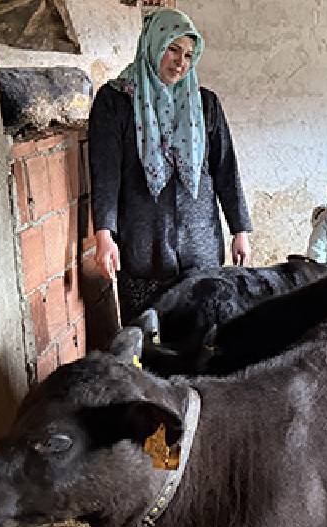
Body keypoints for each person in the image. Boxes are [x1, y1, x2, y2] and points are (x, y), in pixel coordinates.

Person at [88, 8, 252, 322]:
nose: (180, 62)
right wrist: (104, 235)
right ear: (153, 45)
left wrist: (240, 229)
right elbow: (105, 174)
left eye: (189, 55)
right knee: (149, 340)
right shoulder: (116, 101)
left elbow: (226, 169)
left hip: (200, 246)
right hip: (143, 247)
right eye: (173, 50)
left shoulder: (206, 104)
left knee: (203, 337)